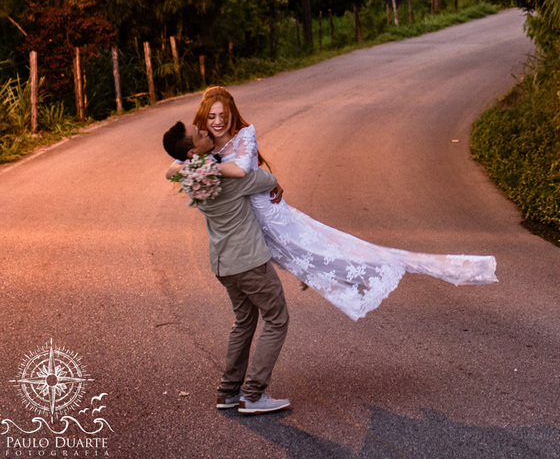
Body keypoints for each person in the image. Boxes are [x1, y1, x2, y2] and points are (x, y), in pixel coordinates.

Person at [184, 86, 498, 322]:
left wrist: (209, 168)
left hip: (270, 213)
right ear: (203, 119)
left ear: (231, 114)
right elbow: (178, 167)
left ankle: (382, 269)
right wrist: (198, 166)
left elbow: (241, 171)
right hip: (250, 225)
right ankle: (330, 277)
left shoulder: (244, 136)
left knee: (325, 248)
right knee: (299, 259)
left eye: (222, 116)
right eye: (211, 117)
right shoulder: (206, 146)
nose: (217, 122)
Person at [161, 121, 292, 415]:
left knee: (244, 321)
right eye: (200, 133)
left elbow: (172, 169)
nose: (207, 130)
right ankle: (253, 394)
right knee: (277, 319)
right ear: (194, 150)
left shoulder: (189, 176)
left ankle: (228, 392)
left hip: (223, 264)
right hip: (249, 262)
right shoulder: (228, 177)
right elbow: (265, 180)